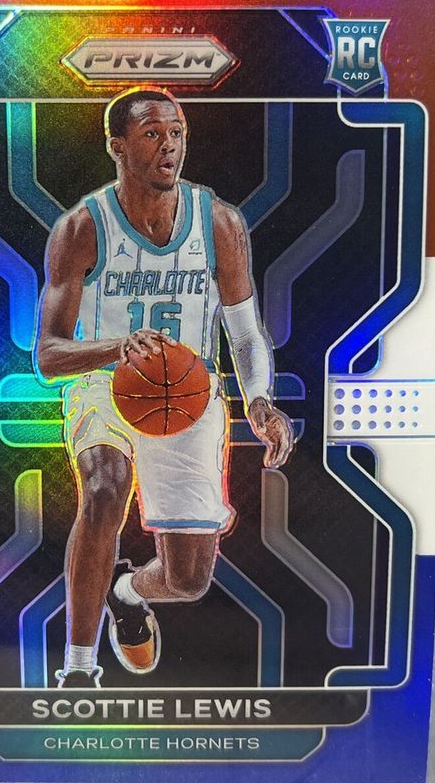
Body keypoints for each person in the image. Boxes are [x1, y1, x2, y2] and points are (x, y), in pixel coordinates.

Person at [35, 87, 293, 688]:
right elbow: (48, 355)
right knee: (105, 488)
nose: (169, 145)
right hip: (107, 384)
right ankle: (79, 668)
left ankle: (126, 590)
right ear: (117, 147)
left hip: (189, 392)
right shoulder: (81, 228)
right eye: (152, 134)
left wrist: (259, 401)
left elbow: (245, 334)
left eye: (176, 132)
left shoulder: (219, 222)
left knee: (188, 580)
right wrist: (116, 348)